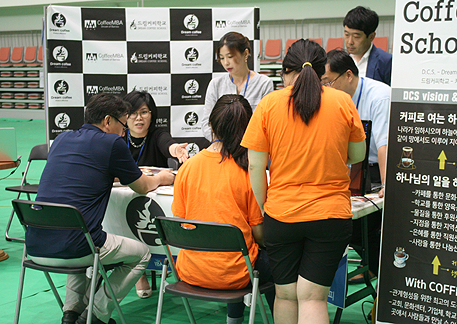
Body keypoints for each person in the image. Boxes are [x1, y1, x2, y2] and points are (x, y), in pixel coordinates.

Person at [241, 39, 366, 324]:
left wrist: (265, 208)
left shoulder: (269, 104)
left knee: (286, 296)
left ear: (286, 72)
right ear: (323, 71)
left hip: (282, 215)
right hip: (331, 216)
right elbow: (356, 154)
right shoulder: (342, 102)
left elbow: (255, 166)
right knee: (313, 298)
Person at [25, 93, 175, 324]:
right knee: (141, 254)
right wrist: (163, 177)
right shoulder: (112, 143)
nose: (124, 132)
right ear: (107, 121)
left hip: (35, 245)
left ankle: (71, 313)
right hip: (78, 247)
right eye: (123, 125)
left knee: (74, 232)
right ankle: (96, 314)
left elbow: (85, 172)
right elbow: (143, 186)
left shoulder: (62, 139)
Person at [172, 94, 275, 324]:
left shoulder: (187, 168)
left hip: (190, 270)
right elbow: (259, 233)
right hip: (237, 274)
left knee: (235, 248)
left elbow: (180, 222)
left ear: (211, 126)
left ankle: (234, 319)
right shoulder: (250, 171)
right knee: (277, 260)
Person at [322, 48, 390, 284]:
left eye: (329, 82)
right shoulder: (333, 99)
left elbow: (383, 143)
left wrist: (386, 183)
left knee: (367, 223)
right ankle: (367, 263)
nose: (327, 88)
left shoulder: (379, 95)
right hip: (350, 165)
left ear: (348, 75)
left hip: (374, 166)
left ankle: (373, 268)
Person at [122, 90, 189, 298]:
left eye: (144, 112)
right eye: (133, 113)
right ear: (125, 116)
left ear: (152, 114)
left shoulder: (157, 134)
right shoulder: (118, 137)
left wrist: (177, 149)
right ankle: (136, 269)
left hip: (151, 197)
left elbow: (168, 144)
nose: (139, 118)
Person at [201, 31, 274, 141]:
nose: (226, 63)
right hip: (223, 149)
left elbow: (267, 123)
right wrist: (220, 144)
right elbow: (206, 124)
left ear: (245, 54)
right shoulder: (216, 84)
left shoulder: (264, 83)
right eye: (222, 58)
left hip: (252, 149)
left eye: (230, 56)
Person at [343, 6, 392, 86]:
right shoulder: (341, 60)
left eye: (356, 37)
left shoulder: (385, 61)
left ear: (371, 36)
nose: (350, 42)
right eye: (346, 35)